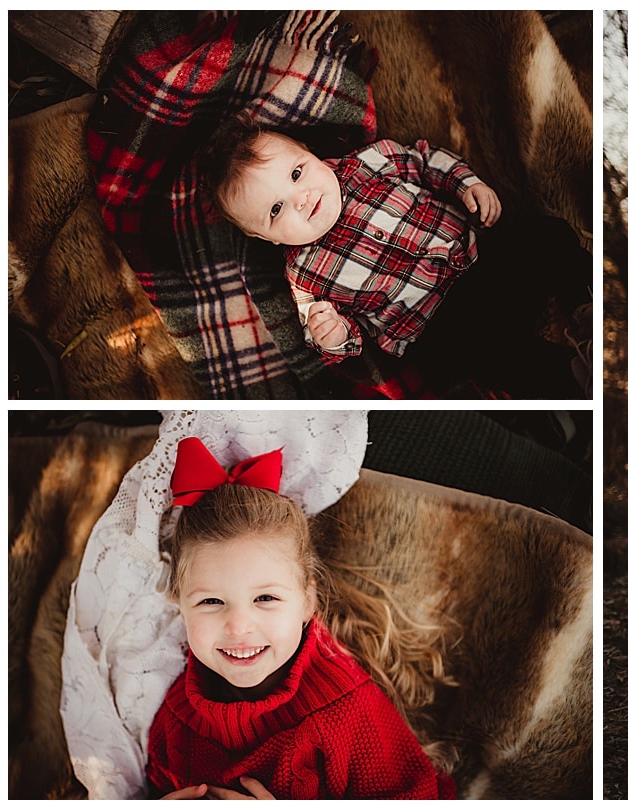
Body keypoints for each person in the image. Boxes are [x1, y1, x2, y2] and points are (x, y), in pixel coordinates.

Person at [146, 438, 455, 799]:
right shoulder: (175, 716)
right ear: (178, 604)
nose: (239, 626)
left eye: (266, 598)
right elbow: (153, 786)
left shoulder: (347, 714)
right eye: (211, 601)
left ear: (307, 601)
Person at [197, 117, 585, 397]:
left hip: (483, 260)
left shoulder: (371, 161)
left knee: (550, 236)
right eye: (276, 210)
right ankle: (570, 380)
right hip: (439, 325)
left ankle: (585, 308)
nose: (300, 199)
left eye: (297, 173)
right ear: (259, 235)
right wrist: (331, 335)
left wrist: (467, 184)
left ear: (311, 153)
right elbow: (345, 341)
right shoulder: (304, 278)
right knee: (484, 357)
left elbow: (426, 162)